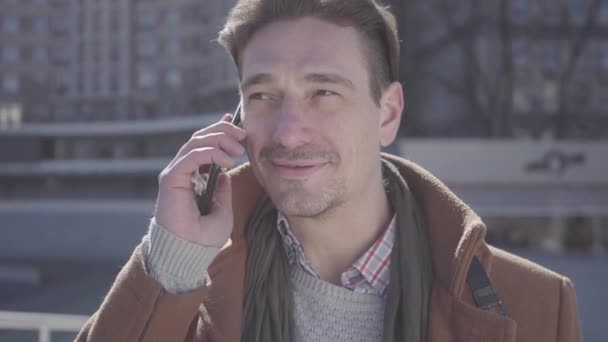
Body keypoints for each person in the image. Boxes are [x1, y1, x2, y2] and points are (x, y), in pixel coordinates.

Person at [76, 1, 582, 341]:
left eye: (324, 92)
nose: (290, 132)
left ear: (387, 113)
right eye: (263, 96)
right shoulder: (192, 287)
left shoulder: (532, 305)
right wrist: (171, 263)